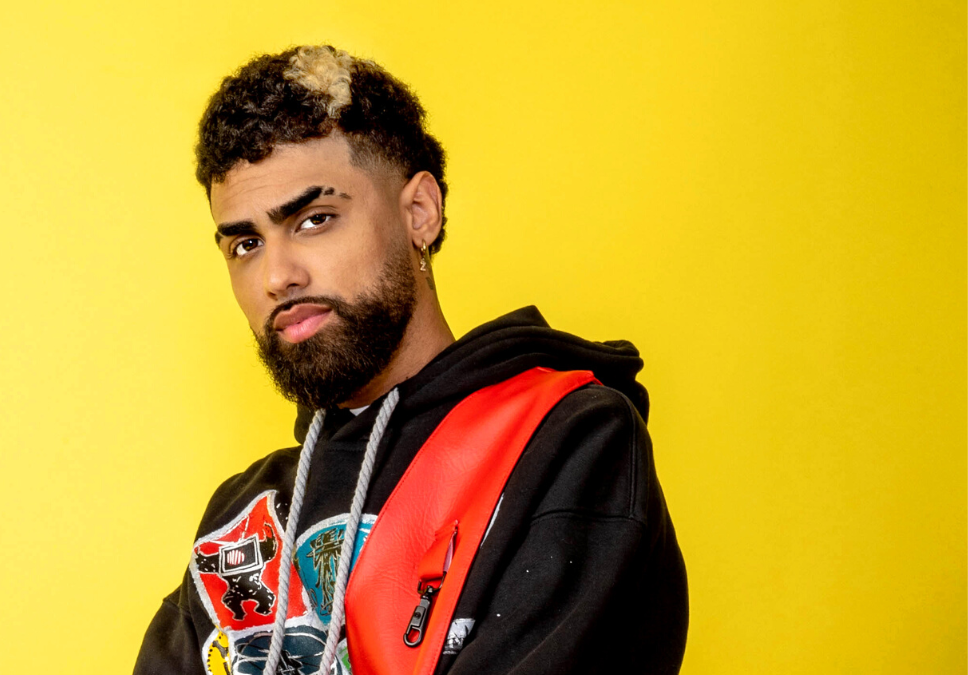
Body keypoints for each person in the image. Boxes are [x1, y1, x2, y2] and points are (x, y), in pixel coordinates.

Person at [135, 45, 688, 675]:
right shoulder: (244, 519)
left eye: (315, 220)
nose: (276, 276)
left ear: (419, 212)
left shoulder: (565, 442)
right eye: (245, 244)